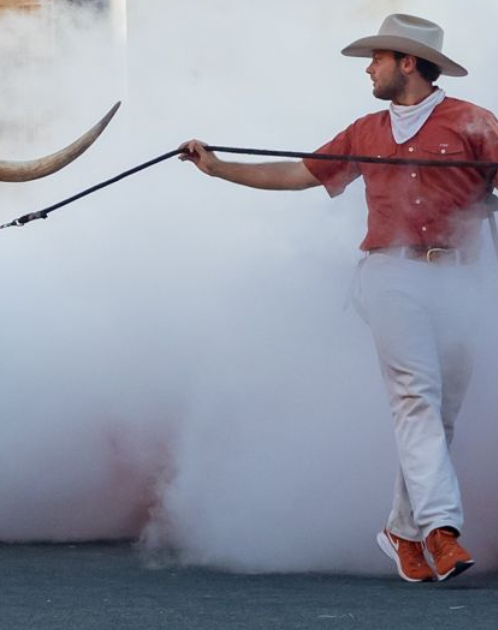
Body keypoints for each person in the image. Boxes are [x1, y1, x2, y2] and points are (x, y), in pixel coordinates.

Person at [179, 13, 498, 583]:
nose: (368, 70)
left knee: (439, 415)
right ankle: (442, 531)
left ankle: (401, 530)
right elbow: (299, 175)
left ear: (407, 62)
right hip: (390, 275)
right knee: (416, 398)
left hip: (460, 279)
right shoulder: (363, 131)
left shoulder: (475, 123)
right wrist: (219, 168)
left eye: (375, 59)